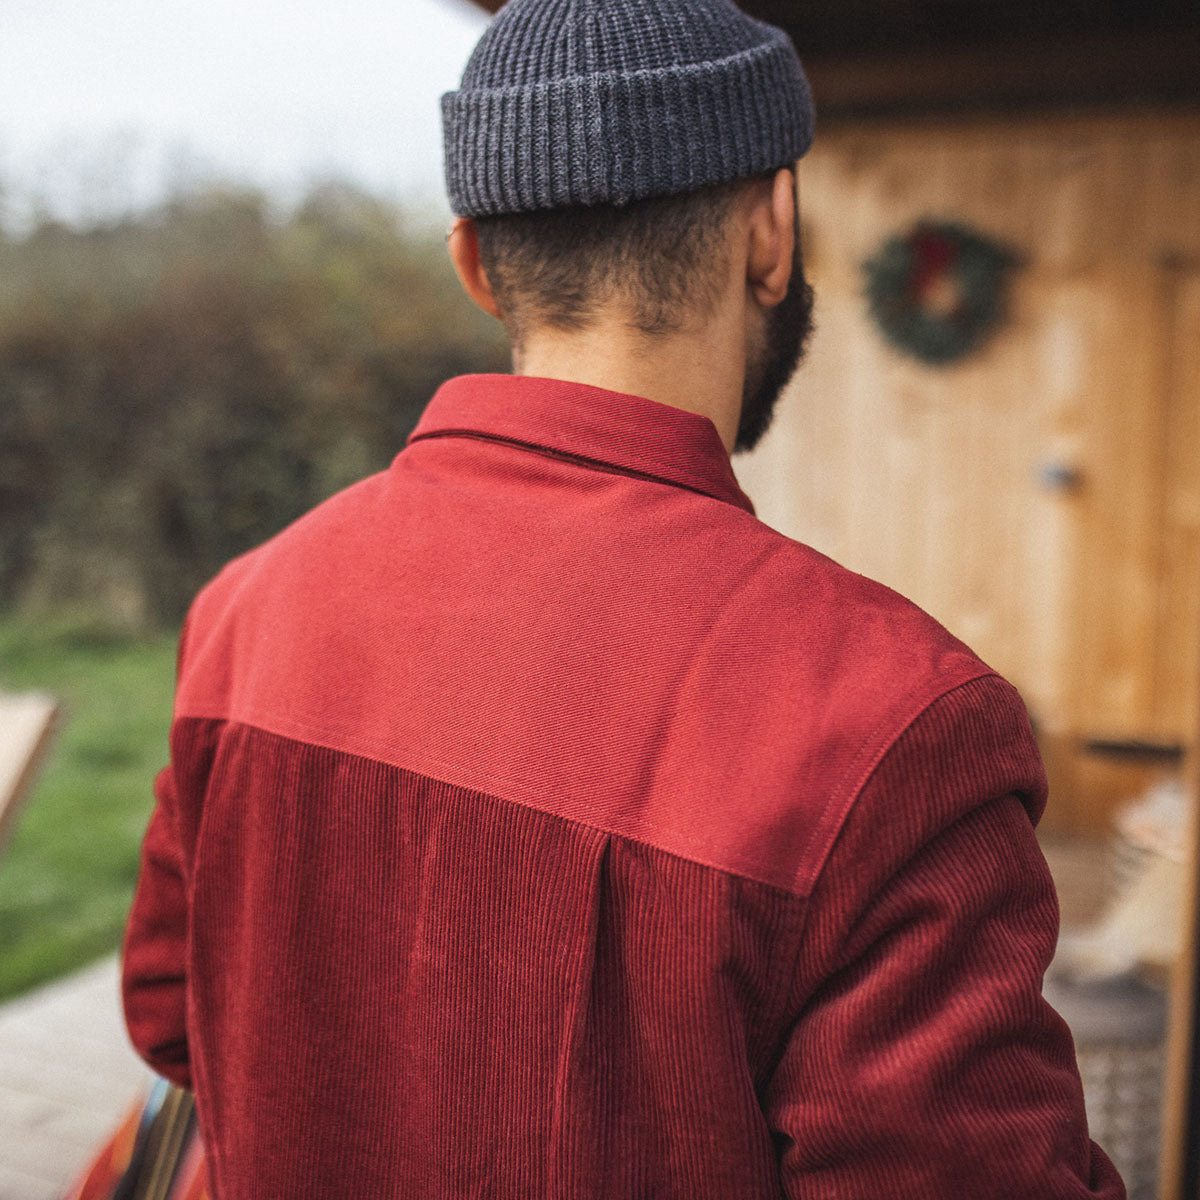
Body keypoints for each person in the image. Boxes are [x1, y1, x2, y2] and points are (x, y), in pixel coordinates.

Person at [121, 1, 1127, 1196]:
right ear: (773, 233)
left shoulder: (245, 608)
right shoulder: (899, 723)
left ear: (476, 263)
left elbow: (171, 1019)